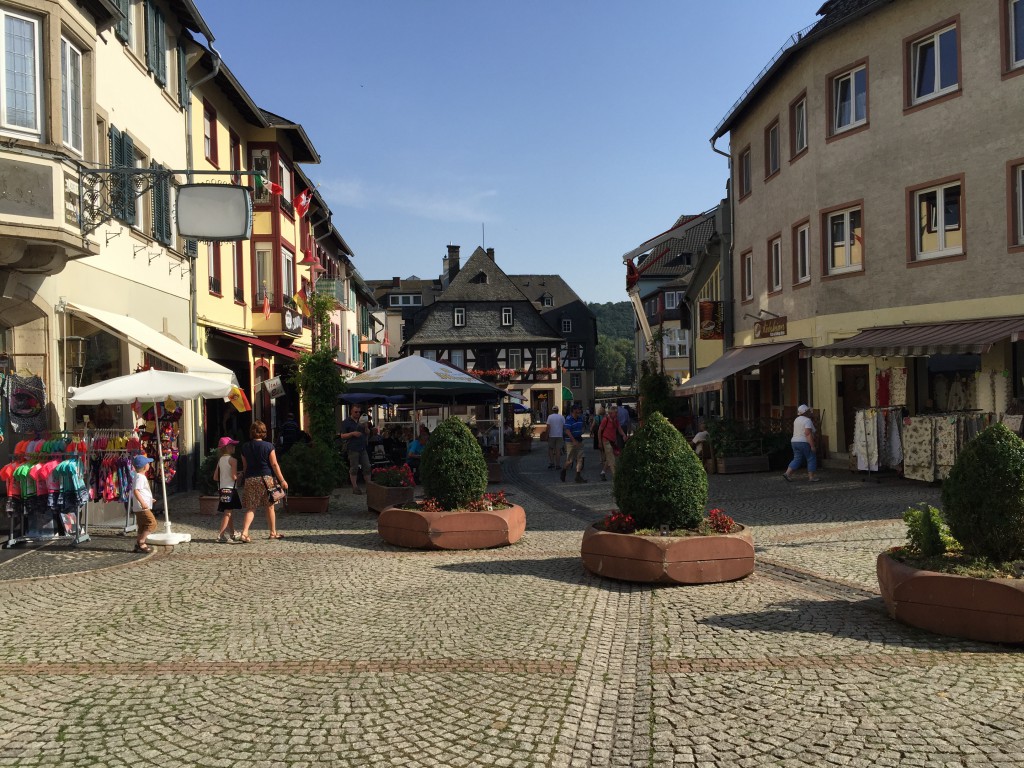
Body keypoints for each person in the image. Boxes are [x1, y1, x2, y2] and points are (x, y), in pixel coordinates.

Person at [239, 419, 288, 541]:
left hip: (250, 478)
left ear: (251, 432)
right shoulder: (268, 446)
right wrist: (282, 480)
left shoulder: (244, 447)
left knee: (251, 507)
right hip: (266, 479)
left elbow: (245, 466)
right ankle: (272, 533)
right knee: (270, 506)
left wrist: (244, 477)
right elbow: (274, 464)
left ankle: (244, 533)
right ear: (264, 432)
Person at [214, 436, 241, 544]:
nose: (234, 447)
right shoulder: (233, 460)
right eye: (233, 445)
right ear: (228, 447)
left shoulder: (220, 460)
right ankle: (220, 535)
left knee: (228, 512)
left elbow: (215, 477)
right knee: (228, 513)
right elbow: (234, 477)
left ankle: (232, 532)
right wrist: (241, 475)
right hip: (231, 489)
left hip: (222, 489)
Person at [339, 405, 371, 494]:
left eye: (359, 412)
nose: (357, 413)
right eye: (355, 412)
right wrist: (352, 433)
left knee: (367, 466)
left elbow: (368, 433)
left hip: (362, 447)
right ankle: (355, 487)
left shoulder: (362, 421)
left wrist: (366, 426)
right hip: (352, 448)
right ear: (351, 412)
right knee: (354, 467)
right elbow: (342, 436)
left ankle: (369, 486)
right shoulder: (346, 422)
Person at [783, 404, 819, 483]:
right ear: (805, 412)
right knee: (811, 458)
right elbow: (808, 433)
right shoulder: (807, 420)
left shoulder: (796, 420)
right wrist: (812, 446)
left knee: (797, 458)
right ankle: (811, 477)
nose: (810, 412)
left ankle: (787, 473)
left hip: (794, 442)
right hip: (804, 442)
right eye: (809, 411)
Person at [130, 454, 157, 553]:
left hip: (140, 506)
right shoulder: (140, 477)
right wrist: (143, 503)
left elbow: (142, 491)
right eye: (148, 463)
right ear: (145, 466)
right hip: (142, 507)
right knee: (152, 523)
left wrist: (149, 499)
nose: (149, 464)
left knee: (142, 525)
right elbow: (136, 491)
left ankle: (138, 544)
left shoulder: (138, 476)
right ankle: (142, 542)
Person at [561, 403, 588, 483]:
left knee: (580, 459)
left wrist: (581, 432)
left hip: (579, 440)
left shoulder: (580, 418)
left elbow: (582, 426)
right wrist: (573, 440)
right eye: (578, 409)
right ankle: (563, 470)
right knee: (570, 461)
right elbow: (567, 430)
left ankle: (578, 476)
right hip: (570, 442)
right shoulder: (569, 419)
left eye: (580, 409)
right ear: (574, 410)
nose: (580, 410)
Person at [599, 404, 628, 479]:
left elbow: (619, 429)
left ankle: (603, 472)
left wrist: (624, 435)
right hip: (606, 440)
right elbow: (599, 430)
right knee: (612, 459)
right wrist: (600, 442)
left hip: (613, 441)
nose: (617, 414)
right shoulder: (606, 419)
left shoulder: (616, 420)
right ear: (611, 413)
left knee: (609, 457)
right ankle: (616, 477)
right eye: (616, 412)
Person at [546, 405, 565, 469]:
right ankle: (558, 465)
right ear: (558, 410)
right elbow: (564, 426)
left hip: (552, 435)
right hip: (559, 435)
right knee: (558, 450)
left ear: (552, 410)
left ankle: (552, 463)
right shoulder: (562, 417)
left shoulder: (550, 417)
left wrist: (547, 435)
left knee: (551, 449)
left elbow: (548, 427)